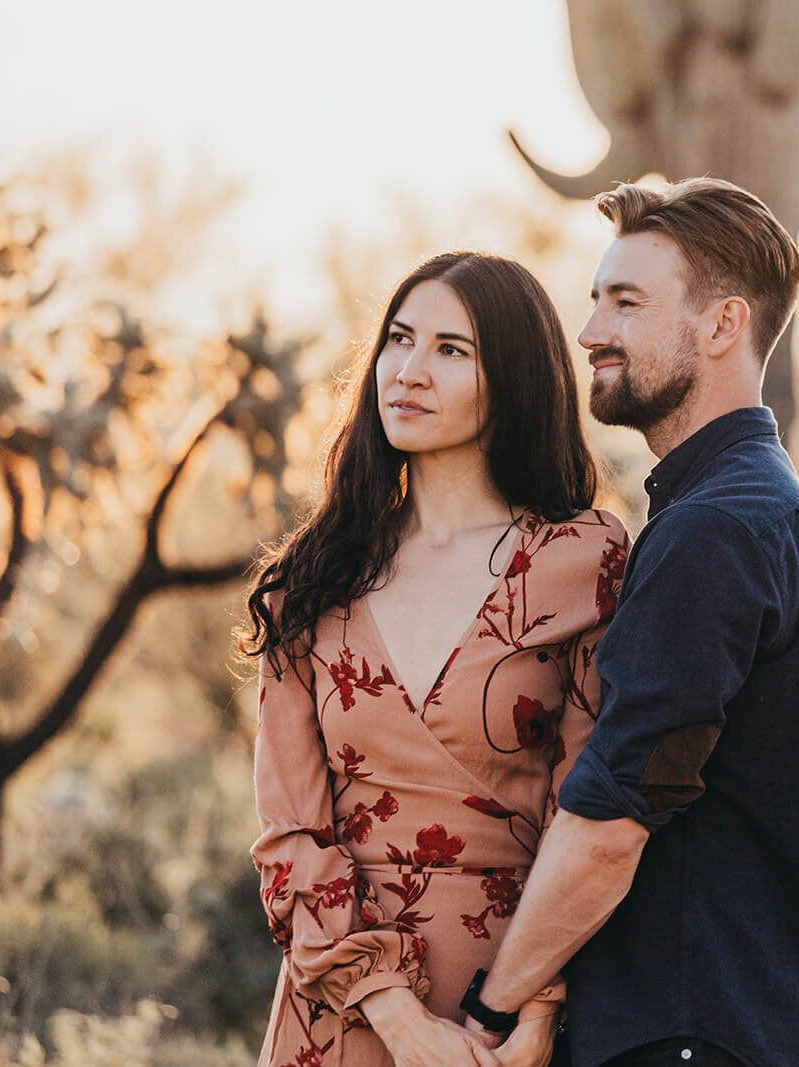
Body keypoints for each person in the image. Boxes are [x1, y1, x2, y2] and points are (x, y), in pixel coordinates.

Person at [457, 179, 799, 1066]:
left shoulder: (717, 528)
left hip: (689, 1033)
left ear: (722, 326)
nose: (592, 329)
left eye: (626, 303)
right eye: (597, 299)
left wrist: (490, 1009)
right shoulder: (742, 504)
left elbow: (611, 825)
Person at [240, 251, 629, 1067]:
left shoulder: (582, 561)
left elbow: (585, 810)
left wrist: (536, 1007)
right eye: (399, 340)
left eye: (452, 350)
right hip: (340, 1008)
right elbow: (290, 835)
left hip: (510, 1013)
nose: (408, 372)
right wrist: (398, 1020)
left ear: (515, 377)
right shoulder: (313, 578)